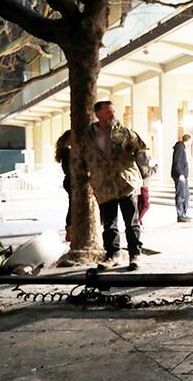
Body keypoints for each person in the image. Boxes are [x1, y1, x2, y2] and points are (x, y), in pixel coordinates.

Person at [81, 101, 150, 271]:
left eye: (113, 111)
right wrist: (86, 176)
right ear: (98, 115)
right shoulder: (87, 136)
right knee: (109, 224)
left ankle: (135, 254)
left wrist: (143, 162)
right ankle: (113, 255)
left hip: (125, 183)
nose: (113, 115)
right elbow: (81, 158)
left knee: (132, 222)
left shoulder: (124, 133)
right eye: (108, 112)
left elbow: (142, 149)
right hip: (103, 185)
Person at [54, 130, 72, 241]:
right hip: (71, 182)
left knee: (72, 205)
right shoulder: (67, 152)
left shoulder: (64, 152)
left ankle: (70, 229)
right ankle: (70, 230)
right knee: (73, 206)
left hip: (68, 181)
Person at [172, 134, 192, 222]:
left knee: (186, 195)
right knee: (181, 195)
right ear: (189, 140)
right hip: (180, 176)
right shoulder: (180, 147)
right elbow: (178, 161)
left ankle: (183, 213)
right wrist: (180, 174)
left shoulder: (183, 148)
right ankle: (180, 215)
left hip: (183, 175)